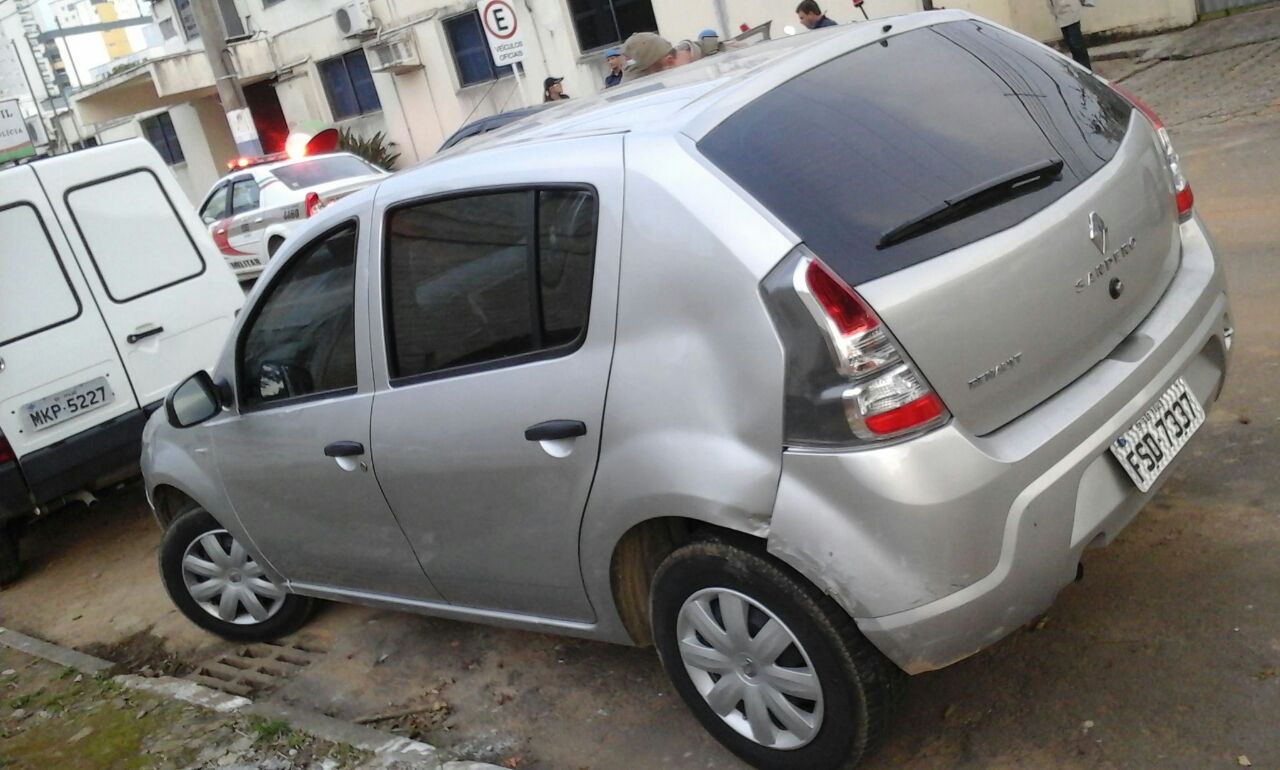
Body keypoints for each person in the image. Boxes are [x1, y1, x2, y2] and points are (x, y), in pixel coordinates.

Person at [1047, 0, 1092, 69]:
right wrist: (1054, 12)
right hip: (1060, 14)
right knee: (1072, 46)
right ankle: (1080, 70)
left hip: (1072, 12)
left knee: (1077, 45)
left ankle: (1086, 71)